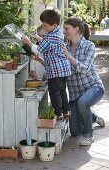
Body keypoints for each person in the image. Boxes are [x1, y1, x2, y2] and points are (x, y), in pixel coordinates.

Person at [21, 7, 72, 120]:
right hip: (64, 70)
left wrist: (27, 42)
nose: (43, 28)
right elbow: (48, 43)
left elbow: (38, 50)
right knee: (62, 90)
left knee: (54, 92)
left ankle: (58, 114)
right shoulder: (57, 32)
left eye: (45, 26)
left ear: (53, 25)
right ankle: (66, 111)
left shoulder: (50, 37)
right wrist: (39, 38)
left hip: (55, 70)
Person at [63, 17, 105, 146]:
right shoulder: (66, 47)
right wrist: (40, 60)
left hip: (93, 88)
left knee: (83, 102)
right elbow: (61, 69)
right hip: (75, 93)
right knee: (75, 131)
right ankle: (94, 117)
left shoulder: (89, 46)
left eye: (66, 29)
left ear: (76, 29)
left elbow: (85, 69)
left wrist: (69, 57)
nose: (64, 31)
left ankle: (88, 136)